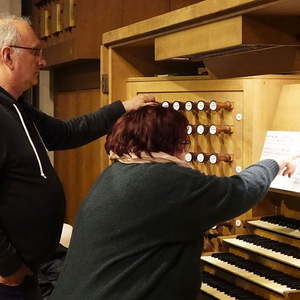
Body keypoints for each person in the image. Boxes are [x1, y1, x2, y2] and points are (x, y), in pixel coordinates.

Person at [50, 105, 297, 300]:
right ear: (167, 144)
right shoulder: (165, 179)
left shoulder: (117, 171)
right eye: (182, 143)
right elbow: (239, 192)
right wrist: (273, 163)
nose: (184, 151)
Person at [0, 14, 155, 300]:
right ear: (8, 56)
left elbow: (67, 133)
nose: (43, 62)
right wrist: (9, 266)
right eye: (36, 52)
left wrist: (123, 107)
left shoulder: (17, 108)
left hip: (31, 268)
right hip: (8, 280)